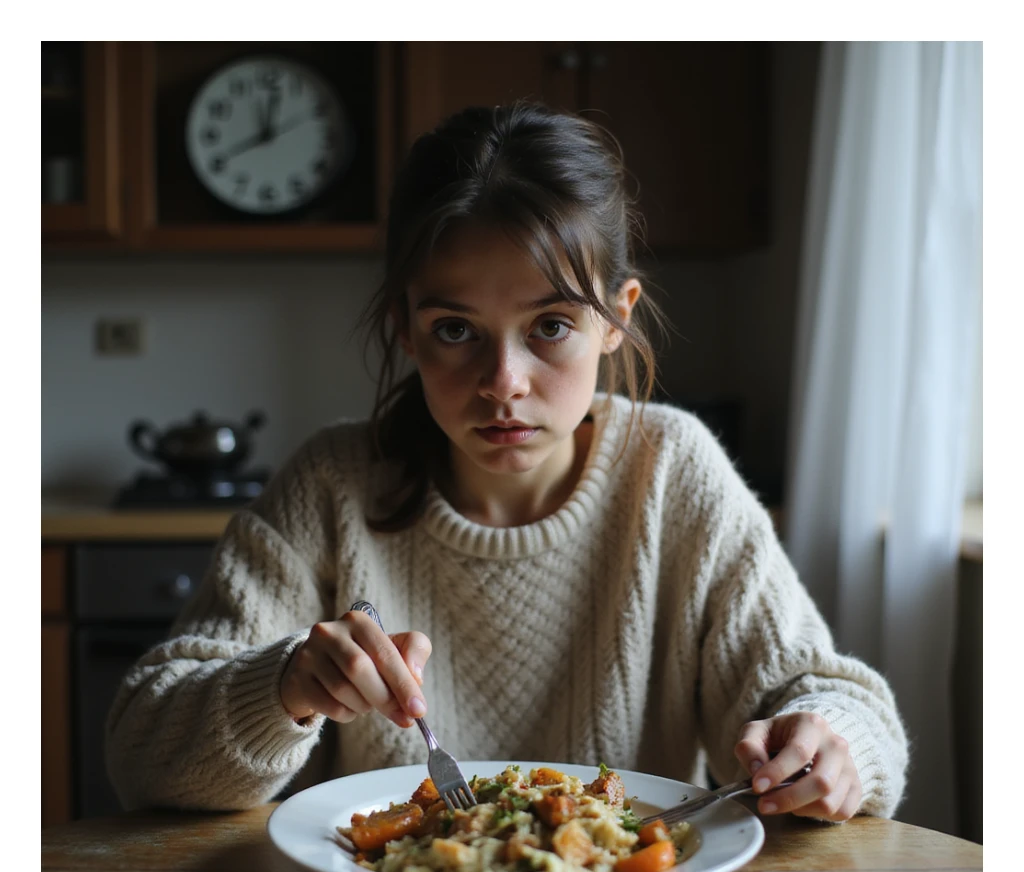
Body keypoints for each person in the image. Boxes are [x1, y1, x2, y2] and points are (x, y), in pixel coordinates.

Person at [106, 101, 908, 823]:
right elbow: (141, 751)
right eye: (455, 330)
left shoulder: (673, 472)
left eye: (551, 325)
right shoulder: (331, 486)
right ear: (405, 329)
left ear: (615, 321)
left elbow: (824, 698)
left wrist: (833, 747)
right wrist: (281, 688)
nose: (502, 384)